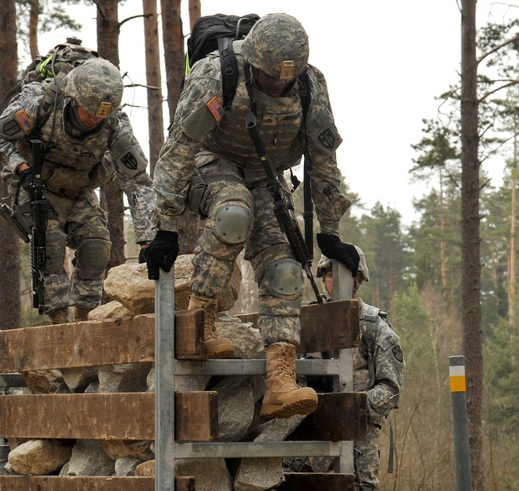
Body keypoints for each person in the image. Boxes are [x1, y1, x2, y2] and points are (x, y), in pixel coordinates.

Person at [142, 12, 360, 419]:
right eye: (270, 77)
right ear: (254, 62)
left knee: (285, 266)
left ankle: (280, 380)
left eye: (285, 80)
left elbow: (324, 160)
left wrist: (330, 231)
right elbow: (180, 149)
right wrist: (165, 228)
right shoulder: (216, 74)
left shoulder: (310, 85)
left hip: (266, 174)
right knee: (233, 212)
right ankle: (200, 320)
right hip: (211, 162)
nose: (278, 84)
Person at [0, 57, 155, 324]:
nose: (93, 120)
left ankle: (85, 319)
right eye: (88, 112)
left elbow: (137, 182)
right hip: (36, 185)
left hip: (78, 188)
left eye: (101, 115)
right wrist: (21, 168)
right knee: (50, 244)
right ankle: (59, 324)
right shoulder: (41, 102)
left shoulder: (114, 123)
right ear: (73, 99)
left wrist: (148, 239)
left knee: (97, 245)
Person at [315, 251, 403, 491]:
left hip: (360, 431)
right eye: (328, 274)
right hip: (315, 427)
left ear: (359, 281)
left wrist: (352, 406)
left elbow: (390, 388)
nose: (333, 281)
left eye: (341, 274)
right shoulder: (313, 322)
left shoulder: (374, 328)